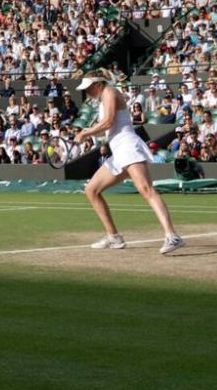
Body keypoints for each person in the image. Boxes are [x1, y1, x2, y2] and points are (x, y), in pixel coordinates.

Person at [75, 74, 184, 255]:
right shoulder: (103, 99)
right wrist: (88, 133)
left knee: (146, 189)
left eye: (88, 87)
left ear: (98, 84)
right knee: (91, 190)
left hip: (128, 146)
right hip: (118, 152)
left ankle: (172, 236)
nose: (87, 91)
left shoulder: (109, 91)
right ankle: (114, 237)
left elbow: (109, 121)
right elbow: (107, 128)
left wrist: (86, 133)